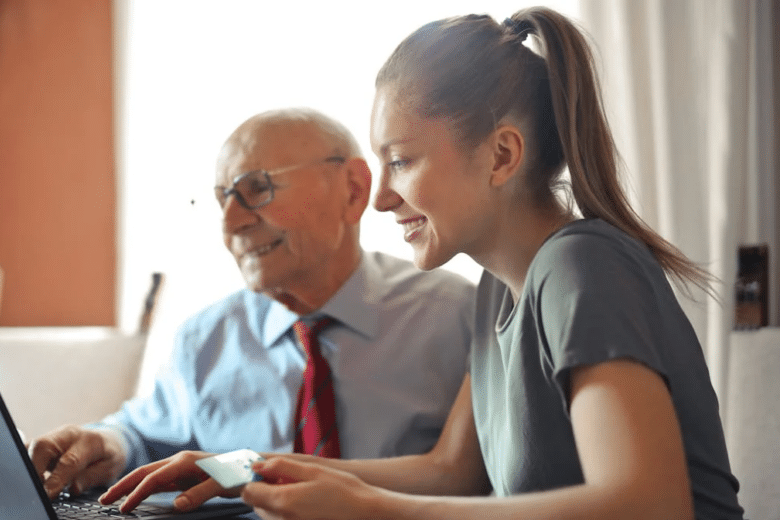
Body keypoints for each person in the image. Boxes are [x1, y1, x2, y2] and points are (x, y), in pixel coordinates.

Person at [99, 7, 744, 519]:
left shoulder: (580, 268)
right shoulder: (499, 287)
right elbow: (450, 472)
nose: (379, 198)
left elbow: (646, 505)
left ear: (500, 157)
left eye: (401, 161)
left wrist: (370, 510)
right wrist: (237, 467)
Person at [28, 108, 475, 501]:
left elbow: (473, 479)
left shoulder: (456, 316)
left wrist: (239, 469)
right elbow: (144, 435)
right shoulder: (206, 336)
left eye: (255, 189)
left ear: (354, 190)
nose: (231, 223)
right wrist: (106, 444)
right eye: (224, 198)